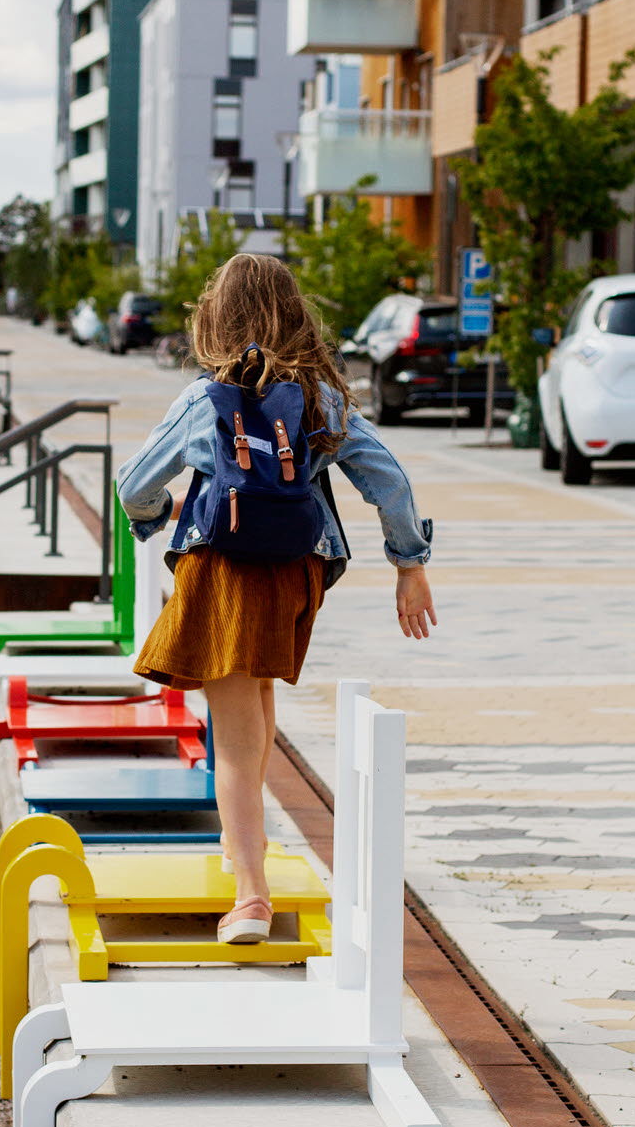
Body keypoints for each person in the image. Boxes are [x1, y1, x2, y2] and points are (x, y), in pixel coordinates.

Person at [115, 254, 435, 943]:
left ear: (215, 317)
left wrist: (156, 513)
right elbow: (389, 481)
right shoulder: (320, 398)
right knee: (255, 701)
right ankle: (243, 850)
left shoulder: (206, 398)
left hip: (223, 570)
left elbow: (132, 484)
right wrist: (409, 566)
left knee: (230, 731)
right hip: (296, 571)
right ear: (296, 315)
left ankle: (250, 897)